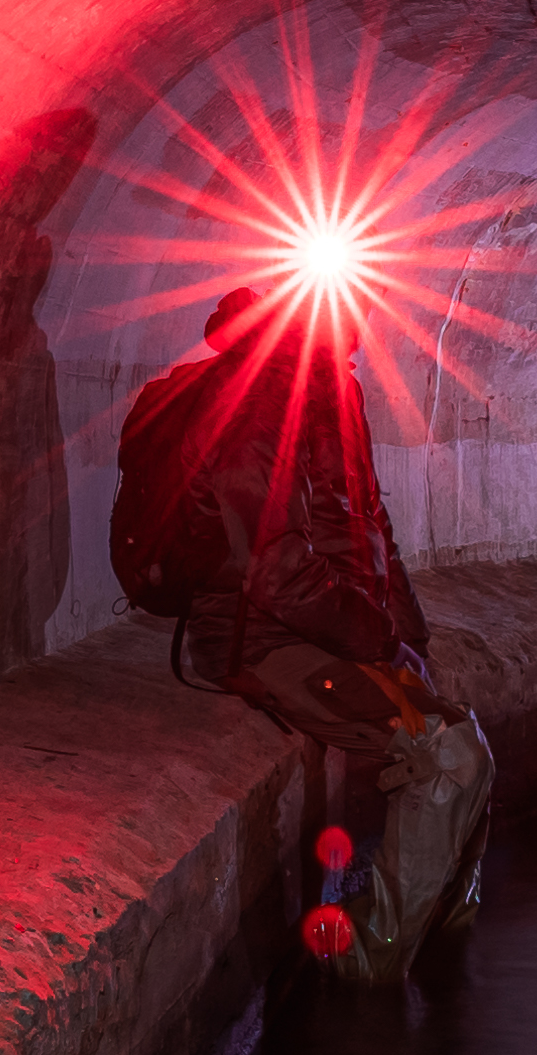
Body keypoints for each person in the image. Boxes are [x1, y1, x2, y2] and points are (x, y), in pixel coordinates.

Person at [113, 282, 491, 981]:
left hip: (331, 631)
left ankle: (442, 917)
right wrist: (371, 646)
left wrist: (408, 639)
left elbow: (371, 528)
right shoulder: (258, 406)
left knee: (466, 739)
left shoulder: (332, 393)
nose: (355, 324)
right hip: (259, 638)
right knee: (449, 757)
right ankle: (370, 963)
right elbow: (277, 572)